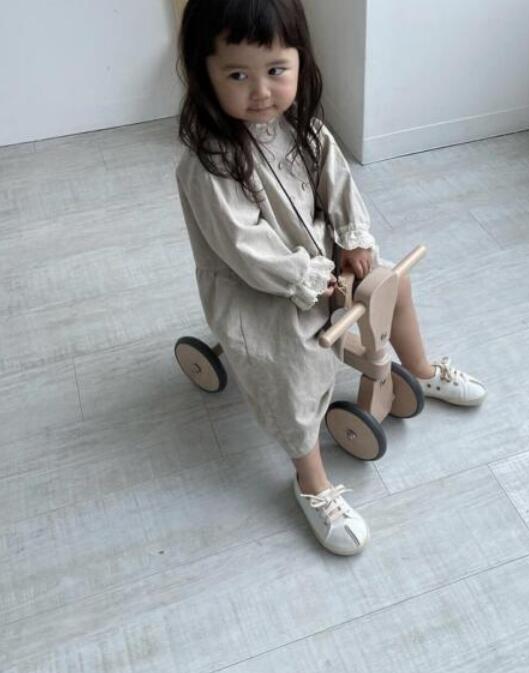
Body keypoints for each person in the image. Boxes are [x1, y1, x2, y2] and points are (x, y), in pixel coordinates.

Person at [175, 0, 486, 556]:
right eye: (238, 75)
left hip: (324, 266)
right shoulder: (209, 165)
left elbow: (339, 187)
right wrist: (310, 277)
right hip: (260, 289)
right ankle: (311, 480)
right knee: (293, 360)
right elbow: (247, 249)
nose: (261, 92)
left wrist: (354, 238)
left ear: (300, 60)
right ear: (205, 74)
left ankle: (419, 370)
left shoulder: (304, 128)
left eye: (276, 70)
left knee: (392, 284)